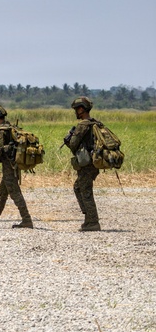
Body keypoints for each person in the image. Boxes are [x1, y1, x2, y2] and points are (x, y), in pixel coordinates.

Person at [0, 106, 33, 228]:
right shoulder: (10, 127)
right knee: (2, 192)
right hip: (12, 164)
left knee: (15, 192)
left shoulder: (1, 130)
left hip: (9, 166)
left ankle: (27, 220)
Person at [64, 96, 103, 232]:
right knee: (79, 187)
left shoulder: (83, 125)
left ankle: (93, 222)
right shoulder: (96, 123)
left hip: (87, 164)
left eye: (76, 109)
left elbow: (73, 145)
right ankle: (89, 219)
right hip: (94, 163)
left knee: (84, 190)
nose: (75, 112)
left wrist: (68, 139)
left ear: (81, 109)